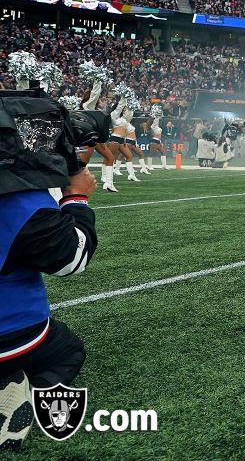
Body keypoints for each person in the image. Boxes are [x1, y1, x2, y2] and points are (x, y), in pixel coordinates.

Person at [0, 89, 111, 449]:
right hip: (9, 331)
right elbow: (71, 260)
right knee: (65, 350)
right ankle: (16, 393)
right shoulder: (23, 205)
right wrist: (76, 199)